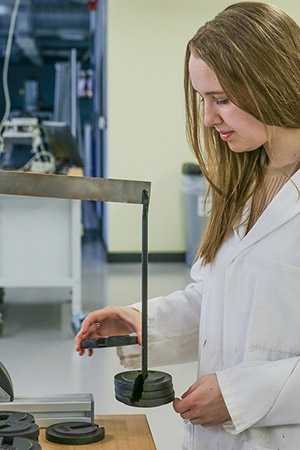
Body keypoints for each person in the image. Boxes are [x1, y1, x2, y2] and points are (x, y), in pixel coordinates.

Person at [75, 2, 300, 449]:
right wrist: (142, 322)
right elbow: (221, 299)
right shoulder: (242, 182)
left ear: (273, 83)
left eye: (221, 99)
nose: (208, 118)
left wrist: (242, 396)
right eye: (202, 99)